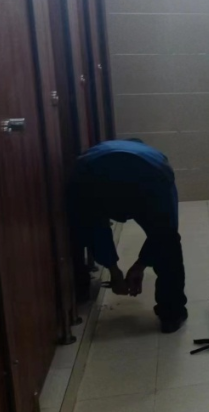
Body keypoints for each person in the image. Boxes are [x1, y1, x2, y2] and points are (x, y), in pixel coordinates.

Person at [67, 139, 188, 333]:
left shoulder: (94, 162)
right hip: (147, 177)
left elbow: (97, 229)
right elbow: (165, 230)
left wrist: (116, 270)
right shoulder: (158, 169)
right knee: (168, 243)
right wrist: (140, 265)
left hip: (91, 175)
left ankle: (79, 287)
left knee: (82, 228)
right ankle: (172, 314)